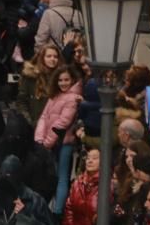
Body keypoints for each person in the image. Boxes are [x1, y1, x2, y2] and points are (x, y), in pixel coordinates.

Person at [34, 64, 83, 216]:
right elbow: (44, 117)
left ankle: (57, 211)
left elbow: (62, 123)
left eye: (66, 80)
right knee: (54, 176)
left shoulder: (73, 98)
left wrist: (46, 143)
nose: (63, 83)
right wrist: (39, 138)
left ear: (72, 80)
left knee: (62, 177)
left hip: (64, 143)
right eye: (60, 80)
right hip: (50, 143)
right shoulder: (54, 96)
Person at [62, 146, 101, 225]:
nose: (90, 161)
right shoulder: (77, 183)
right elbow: (69, 209)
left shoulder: (108, 185)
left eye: (94, 158)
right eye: (88, 158)